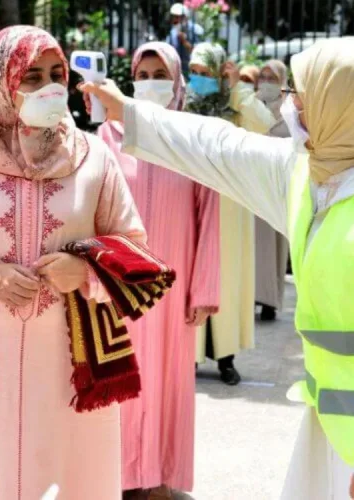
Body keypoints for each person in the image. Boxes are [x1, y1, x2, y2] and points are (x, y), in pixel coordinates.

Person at [82, 37, 354, 499]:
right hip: (345, 432)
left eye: (303, 95)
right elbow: (219, 147)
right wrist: (129, 113)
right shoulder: (316, 176)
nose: (290, 106)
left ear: (343, 108)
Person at [0, 26, 145, 500]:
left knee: (74, 471)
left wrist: (84, 271)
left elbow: (134, 243)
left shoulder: (94, 157)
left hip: (71, 352)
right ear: (1, 83)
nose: (49, 88)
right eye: (32, 77)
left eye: (56, 74)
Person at [98, 41, 220, 499]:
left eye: (159, 73)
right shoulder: (107, 136)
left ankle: (160, 479)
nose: (150, 82)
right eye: (142, 73)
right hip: (118, 287)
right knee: (118, 376)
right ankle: (119, 475)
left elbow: (209, 214)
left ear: (176, 79)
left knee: (166, 381)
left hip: (173, 285)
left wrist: (202, 288)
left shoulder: (190, 139)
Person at [186, 43, 275, 385]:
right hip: (190, 200)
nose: (199, 80)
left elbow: (265, 122)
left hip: (227, 205)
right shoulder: (185, 105)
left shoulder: (237, 106)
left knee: (225, 277)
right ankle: (189, 355)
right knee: (191, 275)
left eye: (206, 73)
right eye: (194, 72)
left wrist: (237, 86)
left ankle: (226, 357)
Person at [254, 59, 291, 321]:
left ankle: (270, 300)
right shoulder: (250, 106)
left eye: (272, 78)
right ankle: (252, 295)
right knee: (252, 246)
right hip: (252, 184)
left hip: (277, 187)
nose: (266, 82)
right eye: (263, 76)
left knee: (274, 246)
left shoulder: (290, 112)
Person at [166, 3, 205, 75]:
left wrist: (184, 42)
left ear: (186, 17)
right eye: (174, 17)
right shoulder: (172, 32)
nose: (175, 20)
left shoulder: (196, 30)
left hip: (195, 72)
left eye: (178, 17)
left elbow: (201, 54)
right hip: (178, 72)